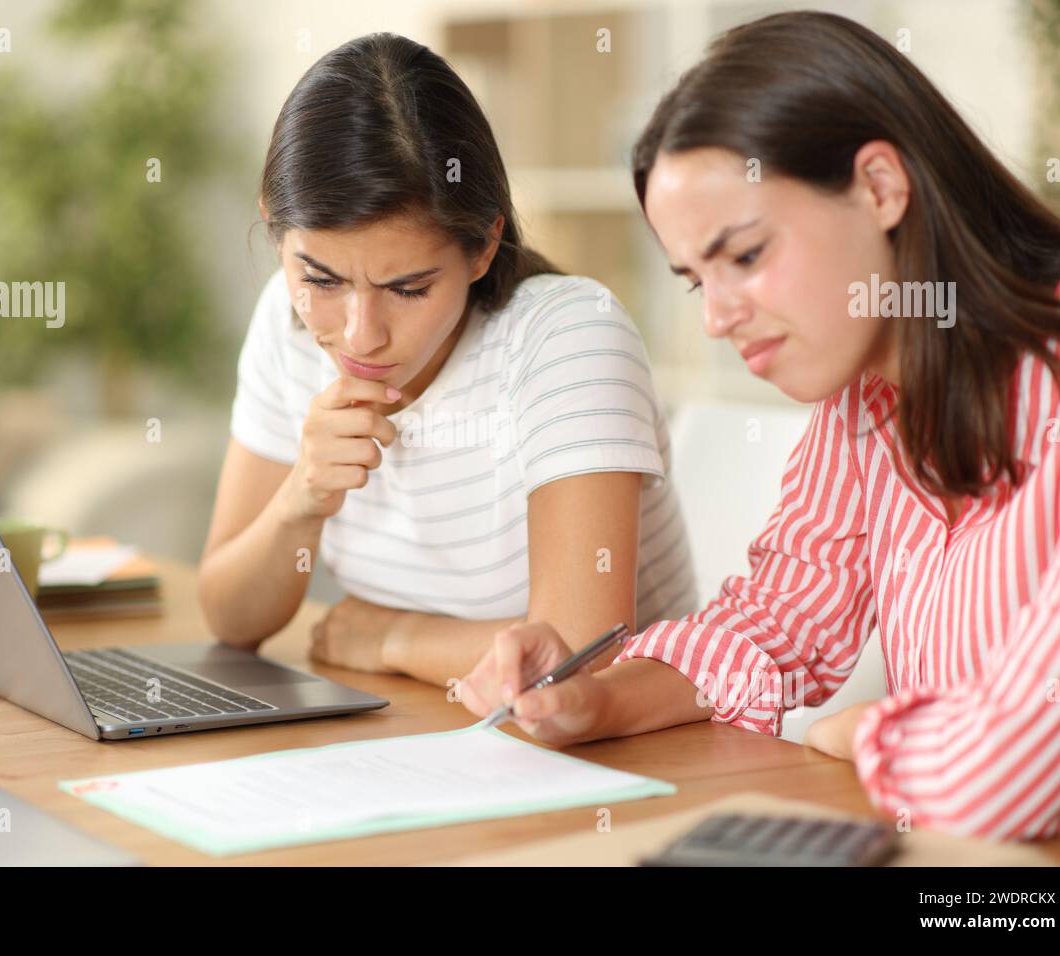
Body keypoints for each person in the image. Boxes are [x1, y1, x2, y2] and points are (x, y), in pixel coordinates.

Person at [459, 11, 1060, 840]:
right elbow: (778, 624)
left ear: (880, 187)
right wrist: (593, 699)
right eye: (697, 280)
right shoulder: (865, 403)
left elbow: (1011, 775)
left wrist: (856, 730)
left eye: (748, 256)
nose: (718, 319)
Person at [200, 33, 697, 687]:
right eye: (321, 280)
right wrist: (301, 498)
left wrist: (395, 637)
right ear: (274, 230)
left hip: (629, 763)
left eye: (407, 289)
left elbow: (580, 657)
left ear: (484, 246)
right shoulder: (285, 322)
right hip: (425, 729)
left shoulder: (568, 337)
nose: (360, 334)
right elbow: (230, 618)